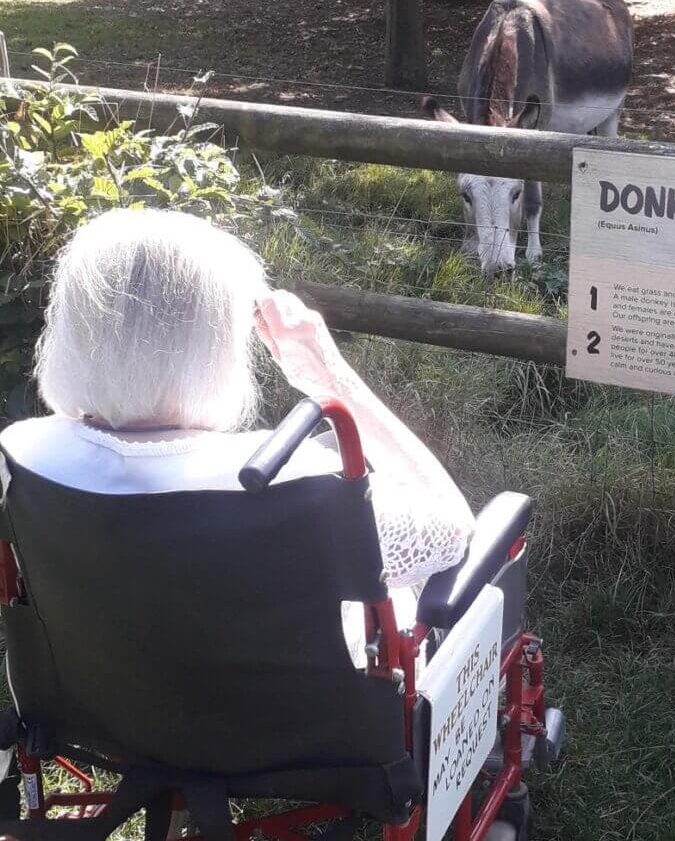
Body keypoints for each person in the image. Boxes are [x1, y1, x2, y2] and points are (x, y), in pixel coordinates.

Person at [0, 209, 474, 663]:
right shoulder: (305, 487)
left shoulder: (22, 456)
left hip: (104, 719)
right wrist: (329, 375)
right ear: (213, 340)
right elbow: (455, 532)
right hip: (301, 738)